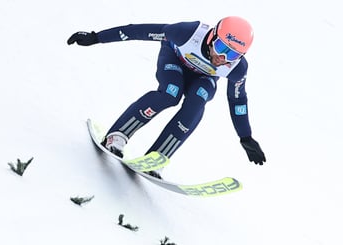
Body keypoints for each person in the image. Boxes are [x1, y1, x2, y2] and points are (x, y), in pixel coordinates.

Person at [67, 17, 266, 172]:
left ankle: (159, 156)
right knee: (171, 93)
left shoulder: (237, 68)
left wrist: (245, 137)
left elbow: (237, 100)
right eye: (221, 48)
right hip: (174, 61)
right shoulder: (187, 33)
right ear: (213, 36)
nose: (222, 58)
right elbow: (140, 31)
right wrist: (97, 37)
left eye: (232, 55)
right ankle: (117, 136)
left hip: (203, 79)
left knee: (197, 101)